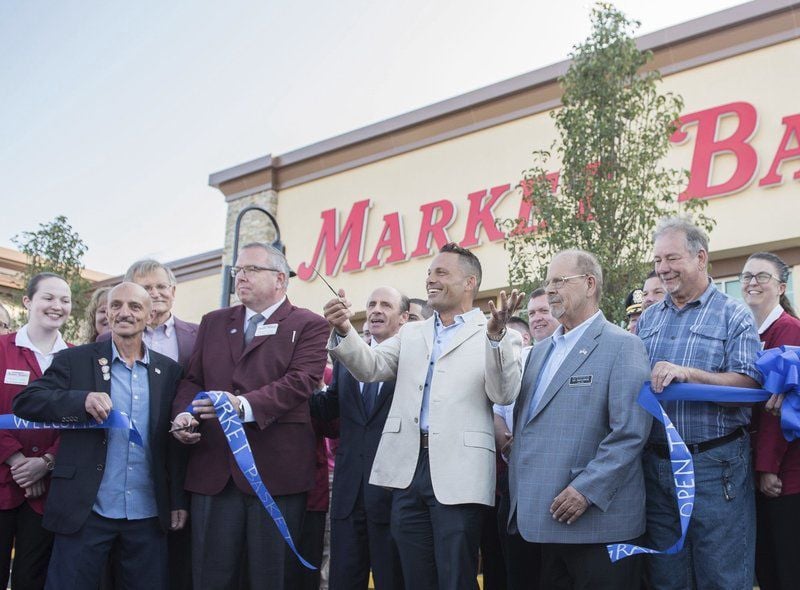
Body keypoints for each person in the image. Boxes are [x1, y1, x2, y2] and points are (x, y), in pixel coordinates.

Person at [323, 242, 524, 590]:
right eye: (429, 273)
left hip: (460, 473)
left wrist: (496, 338)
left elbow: (503, 393)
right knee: (415, 576)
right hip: (408, 470)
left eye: (441, 272)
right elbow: (369, 367)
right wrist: (344, 329)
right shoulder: (412, 333)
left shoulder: (494, 331)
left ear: (469, 282)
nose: (430, 279)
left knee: (455, 576)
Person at [170, 242, 329, 590]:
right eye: (237, 270)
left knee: (270, 578)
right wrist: (185, 414)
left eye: (251, 270)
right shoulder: (213, 322)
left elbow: (301, 381)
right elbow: (193, 379)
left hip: (275, 476)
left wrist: (241, 407)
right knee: (211, 577)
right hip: (214, 472)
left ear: (279, 279)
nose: (240, 276)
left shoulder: (309, 325)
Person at [12, 282, 187, 590]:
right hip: (86, 510)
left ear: (150, 316)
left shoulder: (169, 371)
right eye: (116, 305)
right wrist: (79, 401)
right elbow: (26, 402)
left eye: (134, 307)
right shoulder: (74, 360)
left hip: (146, 513)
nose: (124, 313)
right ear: (106, 311)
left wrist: (176, 501)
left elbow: (171, 443)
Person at [508, 250, 651, 588]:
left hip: (598, 522)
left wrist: (586, 490)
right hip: (544, 520)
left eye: (559, 281)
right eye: (547, 282)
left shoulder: (623, 346)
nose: (550, 290)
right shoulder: (540, 352)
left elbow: (630, 432)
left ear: (590, 284)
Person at [637, 217, 761, 590]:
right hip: (656, 465)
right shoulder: (647, 320)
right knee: (666, 577)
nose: (662, 269)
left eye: (671, 258)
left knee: (722, 576)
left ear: (700, 257)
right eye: (658, 260)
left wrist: (689, 374)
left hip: (715, 464)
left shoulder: (734, 314)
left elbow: (750, 380)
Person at [312, 286, 409, 590]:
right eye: (371, 304)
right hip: (348, 492)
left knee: (392, 579)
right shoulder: (345, 359)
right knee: (343, 579)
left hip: (391, 493)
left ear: (404, 318)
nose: (376, 310)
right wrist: (302, 378)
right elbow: (329, 408)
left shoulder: (413, 361)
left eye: (386, 305)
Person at [0, 273, 71, 590]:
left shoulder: (76, 357)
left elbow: (80, 422)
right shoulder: (2, 348)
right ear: (28, 301)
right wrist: (18, 463)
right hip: (3, 482)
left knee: (33, 578)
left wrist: (46, 462)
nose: (57, 306)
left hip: (49, 491)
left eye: (65, 300)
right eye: (49, 297)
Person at [741, 252, 800, 590]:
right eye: (747, 276)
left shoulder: (789, 331)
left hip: (784, 473)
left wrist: (767, 467)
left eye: (761, 276)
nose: (752, 282)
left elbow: (782, 412)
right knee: (765, 568)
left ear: (780, 286)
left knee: (787, 568)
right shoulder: (747, 332)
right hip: (752, 471)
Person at [493, 289, 559, 590]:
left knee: (555, 573)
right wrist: (506, 440)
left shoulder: (577, 356)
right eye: (532, 313)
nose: (537, 318)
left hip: (559, 485)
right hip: (516, 482)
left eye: (544, 311)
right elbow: (497, 408)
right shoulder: (521, 358)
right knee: (520, 572)